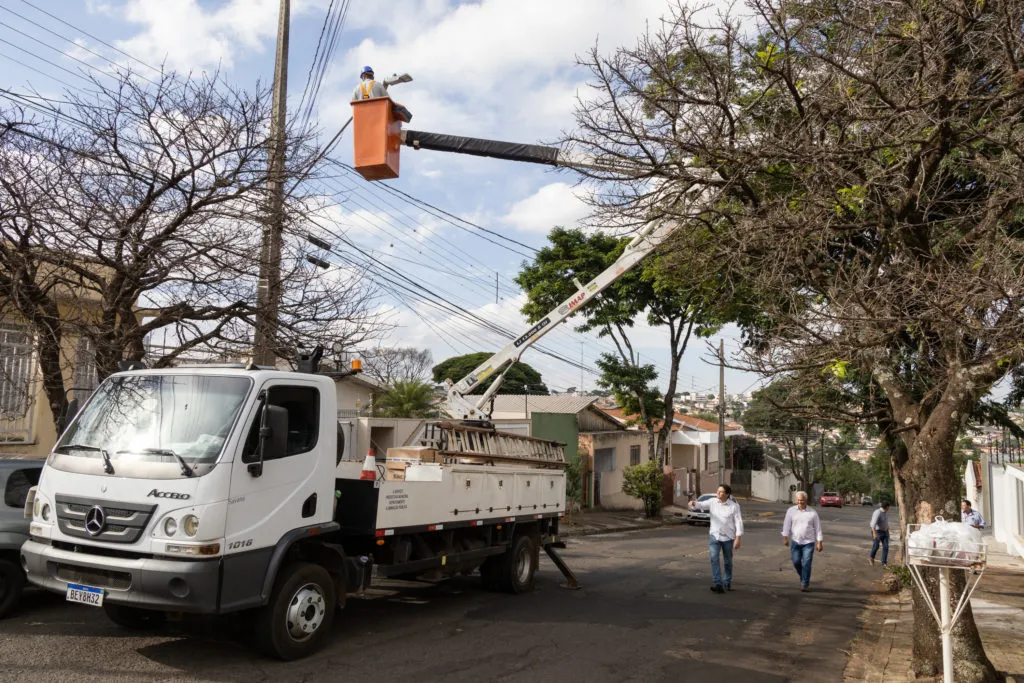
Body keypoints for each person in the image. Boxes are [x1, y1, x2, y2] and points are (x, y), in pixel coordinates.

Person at [688, 484, 743, 593]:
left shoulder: (734, 506)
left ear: (727, 494)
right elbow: (701, 505)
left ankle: (727, 582)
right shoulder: (713, 502)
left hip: (728, 538)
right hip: (715, 536)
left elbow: (739, 522)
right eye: (718, 491)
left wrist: (738, 538)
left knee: (728, 561)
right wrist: (693, 503)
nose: (718, 493)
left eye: (721, 491)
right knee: (714, 559)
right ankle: (718, 583)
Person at [782, 491, 824, 592]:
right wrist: (785, 537)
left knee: (807, 563)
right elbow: (786, 524)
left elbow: (818, 528)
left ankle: (804, 583)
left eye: (802, 500)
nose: (800, 502)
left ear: (806, 501)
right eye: (799, 500)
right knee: (796, 562)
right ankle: (803, 576)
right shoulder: (791, 511)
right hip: (796, 541)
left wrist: (819, 542)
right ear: (796, 500)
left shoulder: (812, 513)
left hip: (808, 543)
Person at [869, 501, 890, 566]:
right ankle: (871, 558)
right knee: (876, 546)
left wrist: (888, 531)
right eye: (888, 507)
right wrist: (874, 534)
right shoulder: (878, 512)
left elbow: (885, 523)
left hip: (885, 532)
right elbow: (873, 524)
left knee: (886, 547)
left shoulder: (885, 512)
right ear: (886, 507)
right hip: (877, 532)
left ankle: (884, 562)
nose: (889, 508)